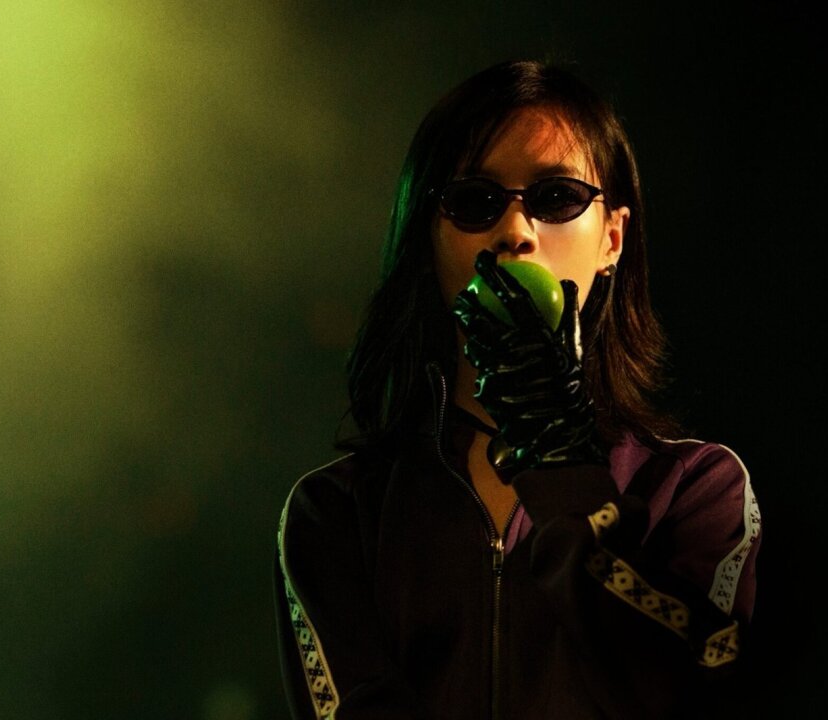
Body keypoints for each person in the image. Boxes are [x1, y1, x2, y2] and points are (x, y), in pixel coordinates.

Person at [274, 58, 762, 720]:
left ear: (613, 238)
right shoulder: (336, 515)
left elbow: (686, 688)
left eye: (556, 197)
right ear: (429, 238)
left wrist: (563, 469)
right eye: (475, 201)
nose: (515, 232)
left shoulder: (696, 489)